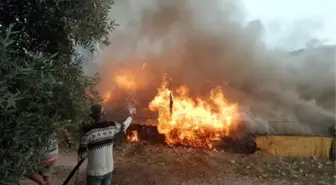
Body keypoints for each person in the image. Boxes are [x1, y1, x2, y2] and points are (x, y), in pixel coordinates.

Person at [78, 104, 136, 185]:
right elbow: (124, 126)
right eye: (104, 112)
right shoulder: (111, 126)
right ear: (102, 114)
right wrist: (131, 116)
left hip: (95, 172)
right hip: (109, 170)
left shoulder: (87, 132)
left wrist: (91, 149)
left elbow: (82, 155)